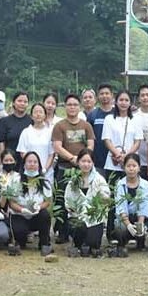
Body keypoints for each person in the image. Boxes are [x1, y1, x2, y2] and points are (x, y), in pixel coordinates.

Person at [52, 94, 96, 243]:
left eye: (75, 104)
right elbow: (57, 146)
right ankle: (62, 232)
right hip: (65, 167)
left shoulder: (86, 126)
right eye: (69, 104)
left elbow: (90, 146)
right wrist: (72, 158)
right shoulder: (59, 126)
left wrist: (83, 160)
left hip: (83, 168)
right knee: (62, 200)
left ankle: (82, 230)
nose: (72, 107)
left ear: (80, 107)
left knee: (82, 199)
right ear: (65, 107)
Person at [101, 90, 142, 239]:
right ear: (115, 101)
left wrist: (127, 157)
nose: (123, 103)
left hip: (131, 165)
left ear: (130, 102)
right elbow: (106, 139)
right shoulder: (109, 119)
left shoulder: (135, 120)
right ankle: (112, 234)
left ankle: (134, 234)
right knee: (113, 199)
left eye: (126, 100)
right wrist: (117, 154)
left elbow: (138, 141)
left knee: (132, 198)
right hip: (112, 164)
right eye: (121, 100)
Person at [65, 149, 111, 254]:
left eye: (89, 162)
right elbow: (68, 202)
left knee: (93, 243)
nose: (86, 164)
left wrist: (98, 205)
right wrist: (76, 212)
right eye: (83, 161)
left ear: (93, 163)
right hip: (77, 216)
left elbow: (106, 198)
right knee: (79, 227)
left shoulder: (99, 180)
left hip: (94, 218)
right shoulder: (73, 181)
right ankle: (78, 243)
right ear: (78, 162)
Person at [8, 151, 53, 255]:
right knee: (20, 235)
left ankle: (44, 243)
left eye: (35, 162)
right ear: (24, 164)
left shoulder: (44, 181)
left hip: (36, 215)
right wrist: (22, 209)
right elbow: (11, 202)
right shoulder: (16, 180)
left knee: (45, 215)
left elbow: (47, 201)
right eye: (29, 162)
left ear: (39, 165)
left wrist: (38, 207)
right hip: (19, 215)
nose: (32, 164)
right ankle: (20, 240)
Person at [112, 154, 148, 252]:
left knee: (142, 228)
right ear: (124, 168)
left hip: (139, 218)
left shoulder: (145, 184)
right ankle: (122, 243)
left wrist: (140, 225)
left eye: (134, 166)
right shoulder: (119, 184)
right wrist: (128, 225)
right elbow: (120, 207)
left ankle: (140, 243)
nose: (131, 169)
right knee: (119, 227)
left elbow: (144, 206)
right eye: (128, 166)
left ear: (139, 168)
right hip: (125, 218)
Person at [17, 103, 56, 185]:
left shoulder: (50, 132)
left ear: (45, 115)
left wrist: (44, 169)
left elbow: (51, 154)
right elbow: (23, 153)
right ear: (31, 116)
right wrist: (32, 167)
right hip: (29, 172)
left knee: (46, 196)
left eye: (41, 112)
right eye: (35, 112)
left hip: (46, 173)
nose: (38, 114)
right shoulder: (26, 132)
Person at [0, 91, 32, 166]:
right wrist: (1, 163)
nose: (22, 103)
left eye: (25, 102)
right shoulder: (5, 121)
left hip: (28, 162)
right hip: (10, 161)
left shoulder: (32, 121)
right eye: (19, 101)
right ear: (13, 103)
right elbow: (2, 143)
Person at [87, 83, 114, 169]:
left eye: (107, 93)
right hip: (97, 159)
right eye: (102, 94)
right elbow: (89, 137)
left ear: (112, 95)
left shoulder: (118, 113)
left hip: (115, 157)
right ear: (98, 96)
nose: (104, 96)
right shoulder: (92, 115)